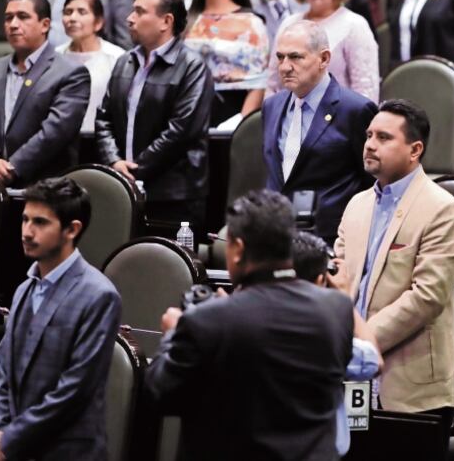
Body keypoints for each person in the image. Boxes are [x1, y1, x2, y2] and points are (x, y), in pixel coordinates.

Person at [146, 189, 354, 461]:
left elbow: (160, 394)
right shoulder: (337, 309)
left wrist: (173, 335)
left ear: (238, 250)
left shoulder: (207, 321)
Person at [333, 100, 454, 448]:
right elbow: (339, 284)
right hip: (352, 381)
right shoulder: (356, 206)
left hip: (413, 389)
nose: (370, 145)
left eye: (383, 137)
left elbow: (428, 296)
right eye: (368, 135)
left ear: (415, 149)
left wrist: (359, 340)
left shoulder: (442, 209)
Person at [0, 177, 122, 461]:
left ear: (72, 229)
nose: (26, 231)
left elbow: (74, 389)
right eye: (25, 220)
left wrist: (13, 437)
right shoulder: (24, 289)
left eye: (40, 222)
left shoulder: (99, 295)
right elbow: (4, 372)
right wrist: (0, 431)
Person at [96, 0, 215, 243]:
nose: (130, 18)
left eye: (139, 12)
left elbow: (181, 130)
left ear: (166, 21)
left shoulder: (192, 66)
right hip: (124, 189)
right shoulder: (124, 62)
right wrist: (114, 162)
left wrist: (136, 170)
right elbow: (103, 118)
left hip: (173, 196)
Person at [263, 21, 377, 242]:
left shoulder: (354, 109)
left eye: (295, 57)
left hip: (332, 240)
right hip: (276, 236)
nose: (285, 67)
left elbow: (372, 184)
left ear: (324, 59)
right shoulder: (271, 106)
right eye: (280, 57)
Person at [0, 0, 90, 186]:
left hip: (45, 188)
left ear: (45, 24)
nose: (13, 24)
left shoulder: (70, 73)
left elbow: (54, 132)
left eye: (23, 17)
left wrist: (12, 167)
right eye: (8, 18)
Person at [291, 230, 382, 459]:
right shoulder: (326, 336)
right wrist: (343, 300)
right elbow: (373, 360)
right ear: (322, 279)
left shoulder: (248, 322)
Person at [274, 0, 379, 101]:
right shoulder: (289, 24)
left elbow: (366, 91)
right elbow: (273, 84)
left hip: (339, 118)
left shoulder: (355, 25)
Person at [183, 0, 268, 124]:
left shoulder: (251, 22)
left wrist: (241, 124)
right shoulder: (185, 22)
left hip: (235, 114)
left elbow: (259, 84)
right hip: (189, 113)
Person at [55, 0, 125, 132]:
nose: (72, 18)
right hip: (62, 137)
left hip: (101, 136)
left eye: (82, 12)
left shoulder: (117, 57)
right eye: (68, 12)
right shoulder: (56, 56)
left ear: (98, 22)